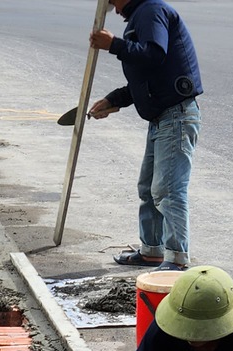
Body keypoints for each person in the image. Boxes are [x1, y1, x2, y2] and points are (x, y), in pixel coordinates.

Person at [86, 0, 202, 269]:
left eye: (113, 1)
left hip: (176, 115)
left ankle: (177, 259)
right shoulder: (141, 15)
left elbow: (154, 54)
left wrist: (113, 44)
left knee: (168, 190)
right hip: (161, 117)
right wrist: (114, 99)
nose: (113, 8)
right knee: (148, 189)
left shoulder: (151, 10)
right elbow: (146, 78)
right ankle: (152, 250)